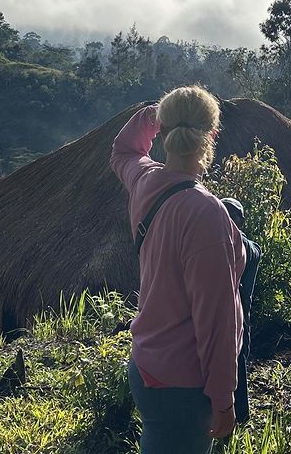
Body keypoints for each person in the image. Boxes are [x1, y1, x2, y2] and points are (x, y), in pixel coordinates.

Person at [110, 86, 246, 454]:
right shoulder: (207, 214)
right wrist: (223, 398)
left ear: (165, 132)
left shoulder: (145, 182)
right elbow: (216, 318)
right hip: (184, 384)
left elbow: (124, 149)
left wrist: (156, 115)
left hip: (147, 364)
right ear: (213, 135)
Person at [220, 198, 261, 424]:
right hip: (244, 312)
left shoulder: (236, 246)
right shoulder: (254, 248)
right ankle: (241, 415)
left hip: (229, 313)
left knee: (230, 364)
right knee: (239, 361)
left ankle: (233, 416)